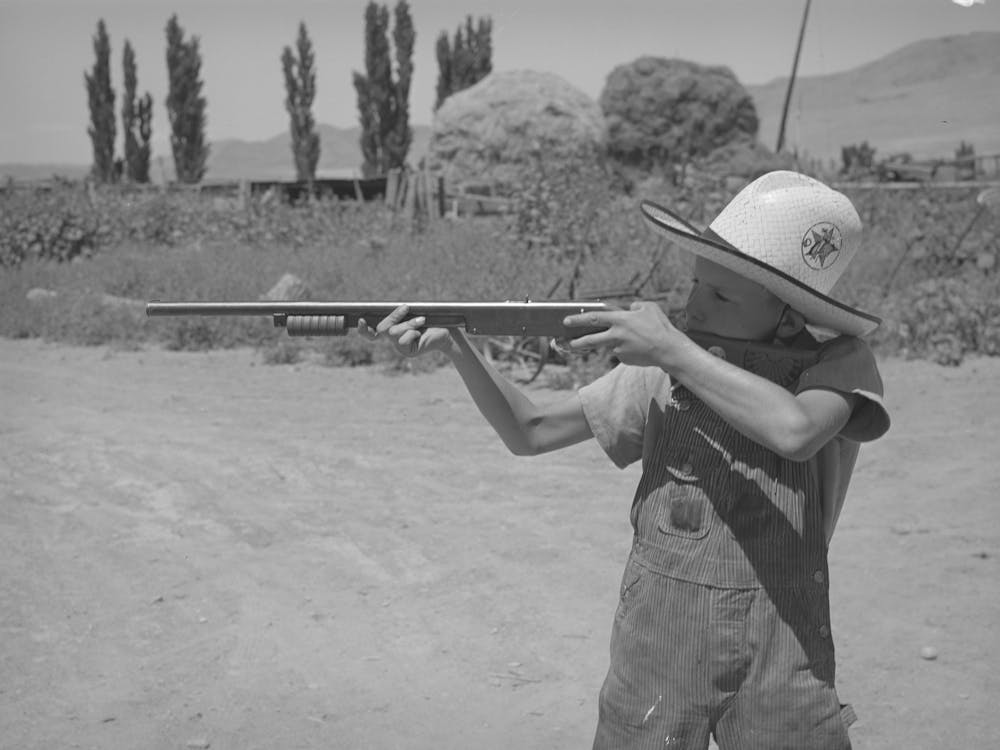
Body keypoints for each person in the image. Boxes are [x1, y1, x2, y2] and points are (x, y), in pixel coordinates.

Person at [359, 170, 890, 750]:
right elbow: (530, 431)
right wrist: (456, 346)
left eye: (721, 295)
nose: (693, 304)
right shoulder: (666, 366)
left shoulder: (838, 363)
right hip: (656, 644)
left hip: (783, 643)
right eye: (696, 284)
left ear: (789, 315)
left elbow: (795, 431)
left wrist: (671, 350)